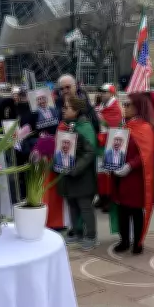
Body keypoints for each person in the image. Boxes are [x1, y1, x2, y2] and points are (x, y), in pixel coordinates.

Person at [111, 93, 154, 255]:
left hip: (136, 177)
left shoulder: (144, 128)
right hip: (121, 177)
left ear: (138, 107)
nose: (124, 108)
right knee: (122, 209)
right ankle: (124, 240)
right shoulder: (124, 126)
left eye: (128, 105)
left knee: (136, 211)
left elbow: (146, 154)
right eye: (124, 104)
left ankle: (138, 242)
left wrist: (130, 165)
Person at [57, 96, 98, 251]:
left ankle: (91, 235)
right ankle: (77, 231)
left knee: (85, 206)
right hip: (69, 174)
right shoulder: (69, 126)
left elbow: (89, 152)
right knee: (72, 204)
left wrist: (76, 168)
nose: (63, 110)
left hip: (83, 176)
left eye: (67, 107)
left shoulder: (85, 127)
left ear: (76, 110)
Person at [96, 84, 123, 212]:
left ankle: (109, 199)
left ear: (112, 93)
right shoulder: (101, 106)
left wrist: (100, 118)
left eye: (105, 92)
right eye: (101, 92)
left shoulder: (115, 108)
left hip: (109, 144)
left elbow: (112, 124)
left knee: (108, 174)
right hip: (100, 143)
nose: (102, 94)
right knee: (100, 173)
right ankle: (102, 196)